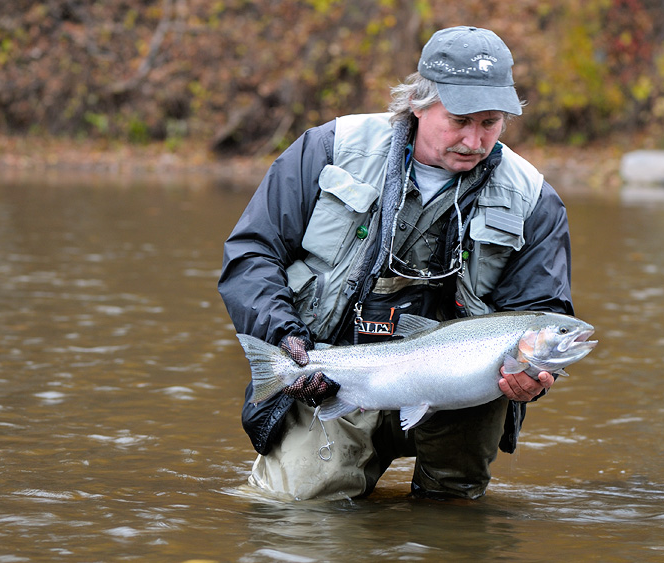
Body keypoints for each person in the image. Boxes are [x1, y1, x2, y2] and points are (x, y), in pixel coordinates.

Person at [218, 26, 573, 500]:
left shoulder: (533, 198)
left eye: (491, 123)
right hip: (333, 378)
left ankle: (444, 501)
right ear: (420, 102)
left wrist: (534, 379)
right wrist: (284, 337)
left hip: (460, 395)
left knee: (451, 525)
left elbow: (543, 311)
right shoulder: (329, 150)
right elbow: (251, 255)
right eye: (461, 119)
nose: (474, 139)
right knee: (295, 519)